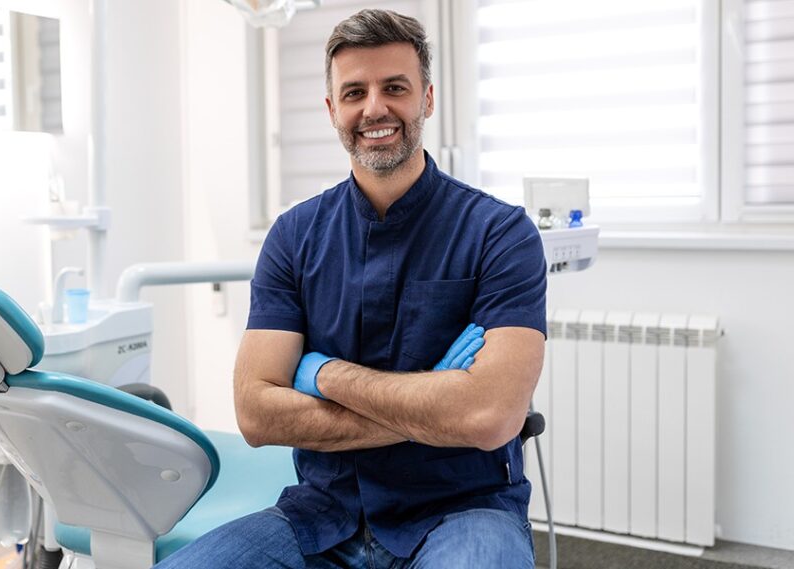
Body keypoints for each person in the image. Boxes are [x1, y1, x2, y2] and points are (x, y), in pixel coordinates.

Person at [156, 8, 547, 568]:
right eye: (354, 92)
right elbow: (257, 414)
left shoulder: (499, 233)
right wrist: (436, 401)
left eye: (395, 88)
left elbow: (489, 417)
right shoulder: (294, 237)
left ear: (427, 99)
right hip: (320, 514)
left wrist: (322, 374)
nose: (374, 108)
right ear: (332, 109)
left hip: (461, 510)